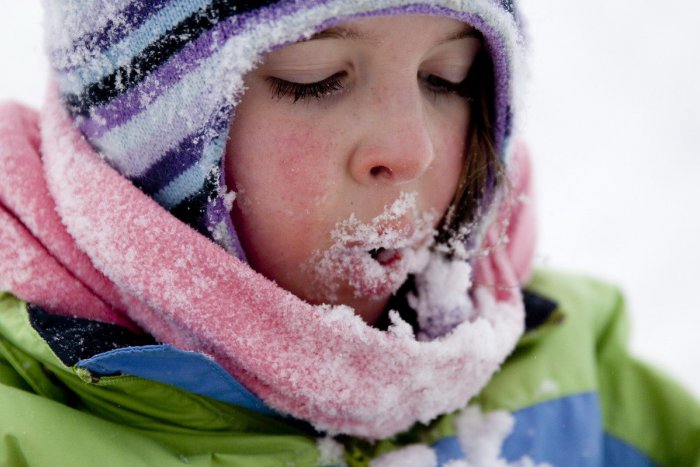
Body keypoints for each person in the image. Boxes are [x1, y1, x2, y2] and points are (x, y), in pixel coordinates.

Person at [0, 1, 697, 465]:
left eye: (445, 77)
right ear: (150, 138)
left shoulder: (568, 369)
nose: (412, 147)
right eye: (317, 78)